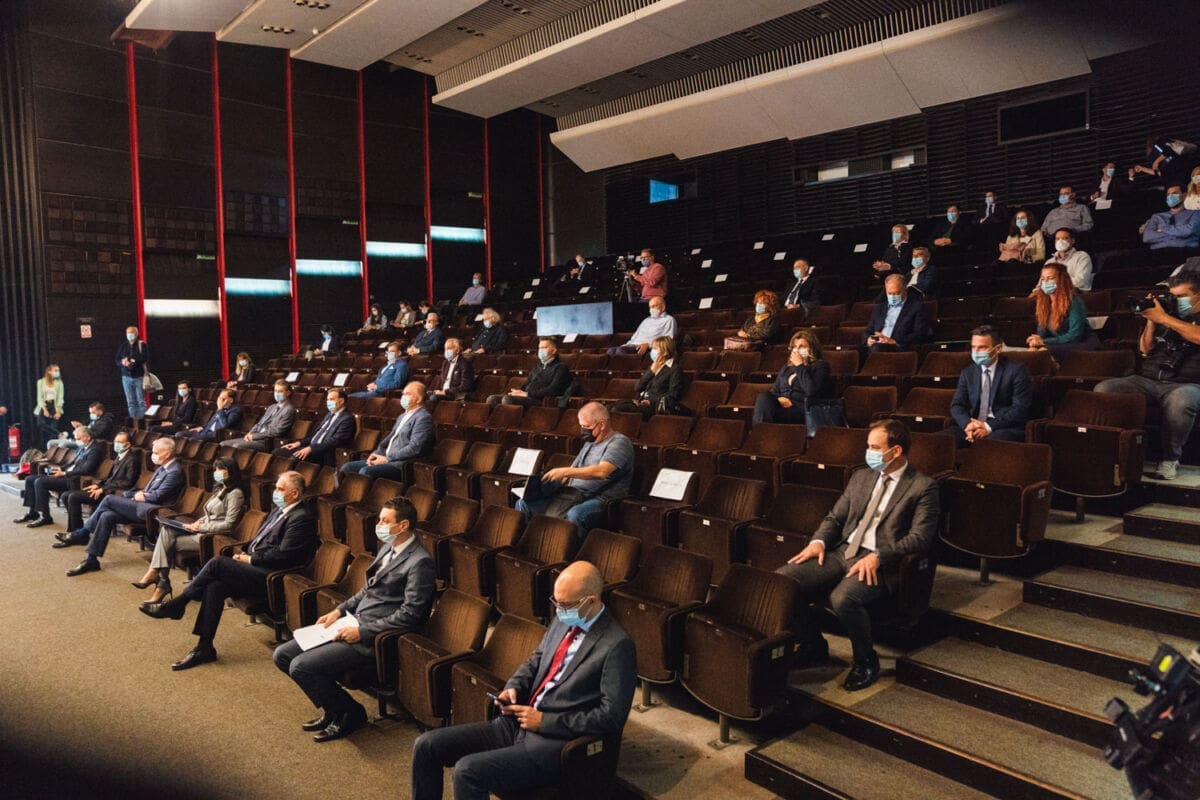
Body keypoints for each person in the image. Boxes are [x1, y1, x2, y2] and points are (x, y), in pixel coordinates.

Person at [411, 561, 635, 800]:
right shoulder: (564, 619)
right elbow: (536, 660)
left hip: (553, 743)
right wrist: (513, 687)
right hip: (515, 724)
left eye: (566, 605)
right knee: (426, 745)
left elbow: (611, 717)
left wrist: (545, 721)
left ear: (591, 600)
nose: (559, 610)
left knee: (468, 771)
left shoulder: (616, 645)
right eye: (556, 602)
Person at [776, 419, 939, 691]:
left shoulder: (923, 486)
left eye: (875, 448)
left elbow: (920, 538)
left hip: (881, 562)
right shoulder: (861, 476)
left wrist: (879, 556)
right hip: (843, 551)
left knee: (843, 599)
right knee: (783, 581)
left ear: (896, 451)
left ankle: (866, 661)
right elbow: (835, 517)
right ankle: (812, 645)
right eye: (868, 447)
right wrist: (818, 541)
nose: (868, 453)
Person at [274, 498, 436, 743]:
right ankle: (336, 709)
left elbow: (411, 614)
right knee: (283, 655)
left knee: (301, 666)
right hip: (351, 622)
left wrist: (364, 632)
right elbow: (367, 591)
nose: (379, 525)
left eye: (385, 521)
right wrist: (339, 611)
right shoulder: (388, 547)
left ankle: (350, 714)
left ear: (403, 525)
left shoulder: (420, 561)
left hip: (372, 638)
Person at [140, 471, 319, 671]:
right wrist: (245, 552)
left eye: (280, 489)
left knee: (217, 563)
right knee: (215, 586)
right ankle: (204, 647)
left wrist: (250, 559)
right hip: (256, 567)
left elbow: (285, 556)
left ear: (294, 494)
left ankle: (178, 604)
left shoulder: (301, 518)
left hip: (272, 576)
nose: (275, 492)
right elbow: (261, 539)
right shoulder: (279, 510)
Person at [1095, 274, 1200, 481]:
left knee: (1181, 400)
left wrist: (1163, 318)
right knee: (1104, 389)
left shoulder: (1167, 317)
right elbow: (1145, 349)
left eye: (1182, 296)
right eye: (1173, 296)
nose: (1175, 300)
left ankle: (1170, 458)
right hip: (1148, 379)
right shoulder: (1166, 313)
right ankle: (1117, 452)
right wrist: (1151, 322)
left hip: (1188, 383)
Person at [53, 437, 186, 577]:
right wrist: (133, 495)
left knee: (109, 499)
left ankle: (81, 533)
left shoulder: (174, 472)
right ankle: (91, 560)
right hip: (142, 505)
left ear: (167, 454)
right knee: (107, 516)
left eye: (156, 452)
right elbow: (147, 491)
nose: (153, 455)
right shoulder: (163, 468)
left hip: (152, 512)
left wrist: (139, 496)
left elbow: (157, 497)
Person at [133, 457, 245, 607]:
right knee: (167, 530)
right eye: (215, 469)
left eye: (220, 469)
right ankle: (160, 582)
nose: (216, 472)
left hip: (212, 537)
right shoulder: (220, 489)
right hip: (202, 529)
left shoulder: (236, 493)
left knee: (166, 544)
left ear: (230, 471)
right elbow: (210, 514)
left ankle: (159, 581)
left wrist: (201, 528)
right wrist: (197, 522)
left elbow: (229, 524)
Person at [516, 402, 633, 537]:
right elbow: (572, 470)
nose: (583, 430)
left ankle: (571, 549)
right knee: (524, 503)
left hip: (601, 498)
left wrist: (564, 471)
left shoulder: (619, 442)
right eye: (581, 426)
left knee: (575, 514)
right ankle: (530, 542)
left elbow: (602, 471)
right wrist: (547, 485)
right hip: (573, 494)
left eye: (586, 426)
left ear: (602, 424)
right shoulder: (590, 443)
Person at [949, 326, 1032, 447]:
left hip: (1003, 427)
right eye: (973, 347)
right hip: (973, 425)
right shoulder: (968, 372)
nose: (976, 352)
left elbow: (1020, 408)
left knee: (987, 445)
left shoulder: (1016, 370)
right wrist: (968, 425)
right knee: (939, 441)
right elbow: (957, 405)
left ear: (998, 349)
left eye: (982, 347)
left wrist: (988, 427)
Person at [340, 382, 434, 481]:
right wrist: (376, 454)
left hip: (401, 464)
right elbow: (389, 440)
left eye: (407, 394)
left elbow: (415, 448)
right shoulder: (402, 416)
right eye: (403, 394)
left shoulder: (423, 418)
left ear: (419, 399)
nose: (403, 397)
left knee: (366, 471)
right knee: (347, 467)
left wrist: (388, 458)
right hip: (387, 459)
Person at [14, 427, 101, 528]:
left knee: (40, 482)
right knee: (30, 479)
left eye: (78, 438)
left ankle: (45, 517)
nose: (76, 440)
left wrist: (64, 473)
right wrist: (60, 468)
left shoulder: (95, 450)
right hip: (67, 474)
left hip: (74, 479)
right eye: (76, 438)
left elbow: (87, 469)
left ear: (87, 437)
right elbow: (73, 464)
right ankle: (32, 513)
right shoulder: (82, 448)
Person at [62, 431, 140, 532]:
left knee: (73, 496)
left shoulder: (132, 460)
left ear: (128, 445)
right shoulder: (119, 456)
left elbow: (128, 483)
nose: (116, 444)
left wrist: (103, 489)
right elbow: (110, 477)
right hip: (105, 488)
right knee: (65, 495)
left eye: (120, 442)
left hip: (112, 493)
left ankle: (75, 532)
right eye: (115, 441)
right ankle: (75, 529)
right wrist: (98, 485)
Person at [753, 329, 833, 425]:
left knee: (766, 414)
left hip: (804, 410)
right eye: (795, 346)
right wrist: (781, 400)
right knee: (764, 397)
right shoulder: (787, 368)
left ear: (812, 348)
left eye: (802, 346)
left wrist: (799, 365)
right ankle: (760, 430)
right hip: (783, 407)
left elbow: (811, 391)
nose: (797, 350)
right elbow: (774, 391)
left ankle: (759, 431)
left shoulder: (821, 366)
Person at [1026, 263, 1096, 358]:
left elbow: (1074, 335)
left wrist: (1044, 342)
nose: (1045, 282)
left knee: (1043, 352)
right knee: (1032, 351)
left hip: (1082, 343)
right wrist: (1035, 340)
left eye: (1050, 278)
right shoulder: (1043, 303)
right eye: (1043, 279)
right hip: (1059, 343)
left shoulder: (1074, 302)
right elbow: (1042, 333)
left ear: (1061, 280)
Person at [272, 389, 356, 467]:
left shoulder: (347, 419)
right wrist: (298, 443)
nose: (328, 402)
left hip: (323, 453)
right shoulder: (329, 415)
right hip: (312, 448)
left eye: (331, 399)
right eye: (327, 400)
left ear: (341, 401)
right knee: (277, 452)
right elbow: (315, 436)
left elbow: (334, 441)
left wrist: (311, 448)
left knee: (295, 458)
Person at [487, 339, 572, 408]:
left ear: (554, 350)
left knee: (508, 399)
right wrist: (519, 392)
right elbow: (527, 383)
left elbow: (553, 390)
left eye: (544, 348)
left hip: (540, 400)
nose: (541, 350)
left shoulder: (561, 367)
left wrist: (527, 394)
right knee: (492, 399)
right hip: (527, 396)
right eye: (539, 348)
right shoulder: (537, 366)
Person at [612, 336, 682, 417]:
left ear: (665, 352)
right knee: (609, 407)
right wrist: (651, 372)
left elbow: (674, 395)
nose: (652, 351)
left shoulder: (674, 369)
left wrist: (651, 401)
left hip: (654, 407)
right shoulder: (653, 366)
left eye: (655, 348)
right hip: (640, 401)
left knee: (617, 409)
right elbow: (638, 387)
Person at [220, 380, 296, 451]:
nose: (277, 393)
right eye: (275, 391)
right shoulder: (272, 407)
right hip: (255, 437)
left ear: (288, 393)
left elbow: (276, 431)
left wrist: (254, 436)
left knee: (237, 446)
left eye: (280, 391)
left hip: (265, 441)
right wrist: (250, 433)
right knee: (223, 444)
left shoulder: (289, 410)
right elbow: (259, 423)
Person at [864, 274, 931, 352]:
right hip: (876, 345)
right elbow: (868, 330)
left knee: (876, 348)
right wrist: (868, 339)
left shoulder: (916, 307)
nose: (892, 296)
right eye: (889, 293)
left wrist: (894, 341)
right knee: (855, 351)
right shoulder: (880, 308)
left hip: (897, 347)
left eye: (896, 293)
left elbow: (919, 334)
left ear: (905, 290)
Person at [608, 297, 675, 356]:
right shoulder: (646, 320)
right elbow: (636, 336)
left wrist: (649, 345)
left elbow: (668, 340)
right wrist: (628, 344)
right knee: (611, 351)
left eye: (654, 306)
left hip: (647, 347)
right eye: (650, 307)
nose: (651, 309)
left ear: (663, 307)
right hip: (633, 345)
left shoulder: (669, 320)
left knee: (620, 351)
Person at [1142, 185, 1200, 251]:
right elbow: (1147, 237)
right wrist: (1179, 235)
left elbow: (1189, 230)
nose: (1170, 196)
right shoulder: (1157, 216)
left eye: (1174, 193)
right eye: (1168, 194)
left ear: (1184, 195)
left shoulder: (1195, 213)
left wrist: (1164, 229)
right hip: (1158, 253)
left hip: (1186, 251)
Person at [179, 389, 243, 441]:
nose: (220, 401)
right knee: (179, 434)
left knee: (192, 440)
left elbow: (224, 425)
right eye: (219, 399)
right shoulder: (221, 407)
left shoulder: (236, 410)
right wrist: (201, 427)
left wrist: (220, 409)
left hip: (216, 435)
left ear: (231, 400)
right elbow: (212, 422)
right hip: (205, 431)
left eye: (223, 399)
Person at [116, 325, 149, 420]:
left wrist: (131, 359)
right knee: (130, 401)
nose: (130, 335)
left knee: (141, 401)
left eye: (132, 332)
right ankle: (134, 421)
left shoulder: (142, 345)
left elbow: (145, 358)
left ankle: (142, 421)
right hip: (126, 377)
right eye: (128, 333)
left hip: (139, 376)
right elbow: (117, 360)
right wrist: (123, 363)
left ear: (137, 334)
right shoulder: (123, 346)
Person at [35, 364, 64, 446]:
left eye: (58, 371)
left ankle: (52, 447)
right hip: (45, 404)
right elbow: (40, 397)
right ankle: (59, 434)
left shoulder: (59, 383)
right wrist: (44, 409)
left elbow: (60, 398)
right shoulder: (41, 382)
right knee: (40, 423)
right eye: (55, 370)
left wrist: (58, 411)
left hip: (55, 405)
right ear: (49, 371)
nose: (57, 372)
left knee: (54, 426)